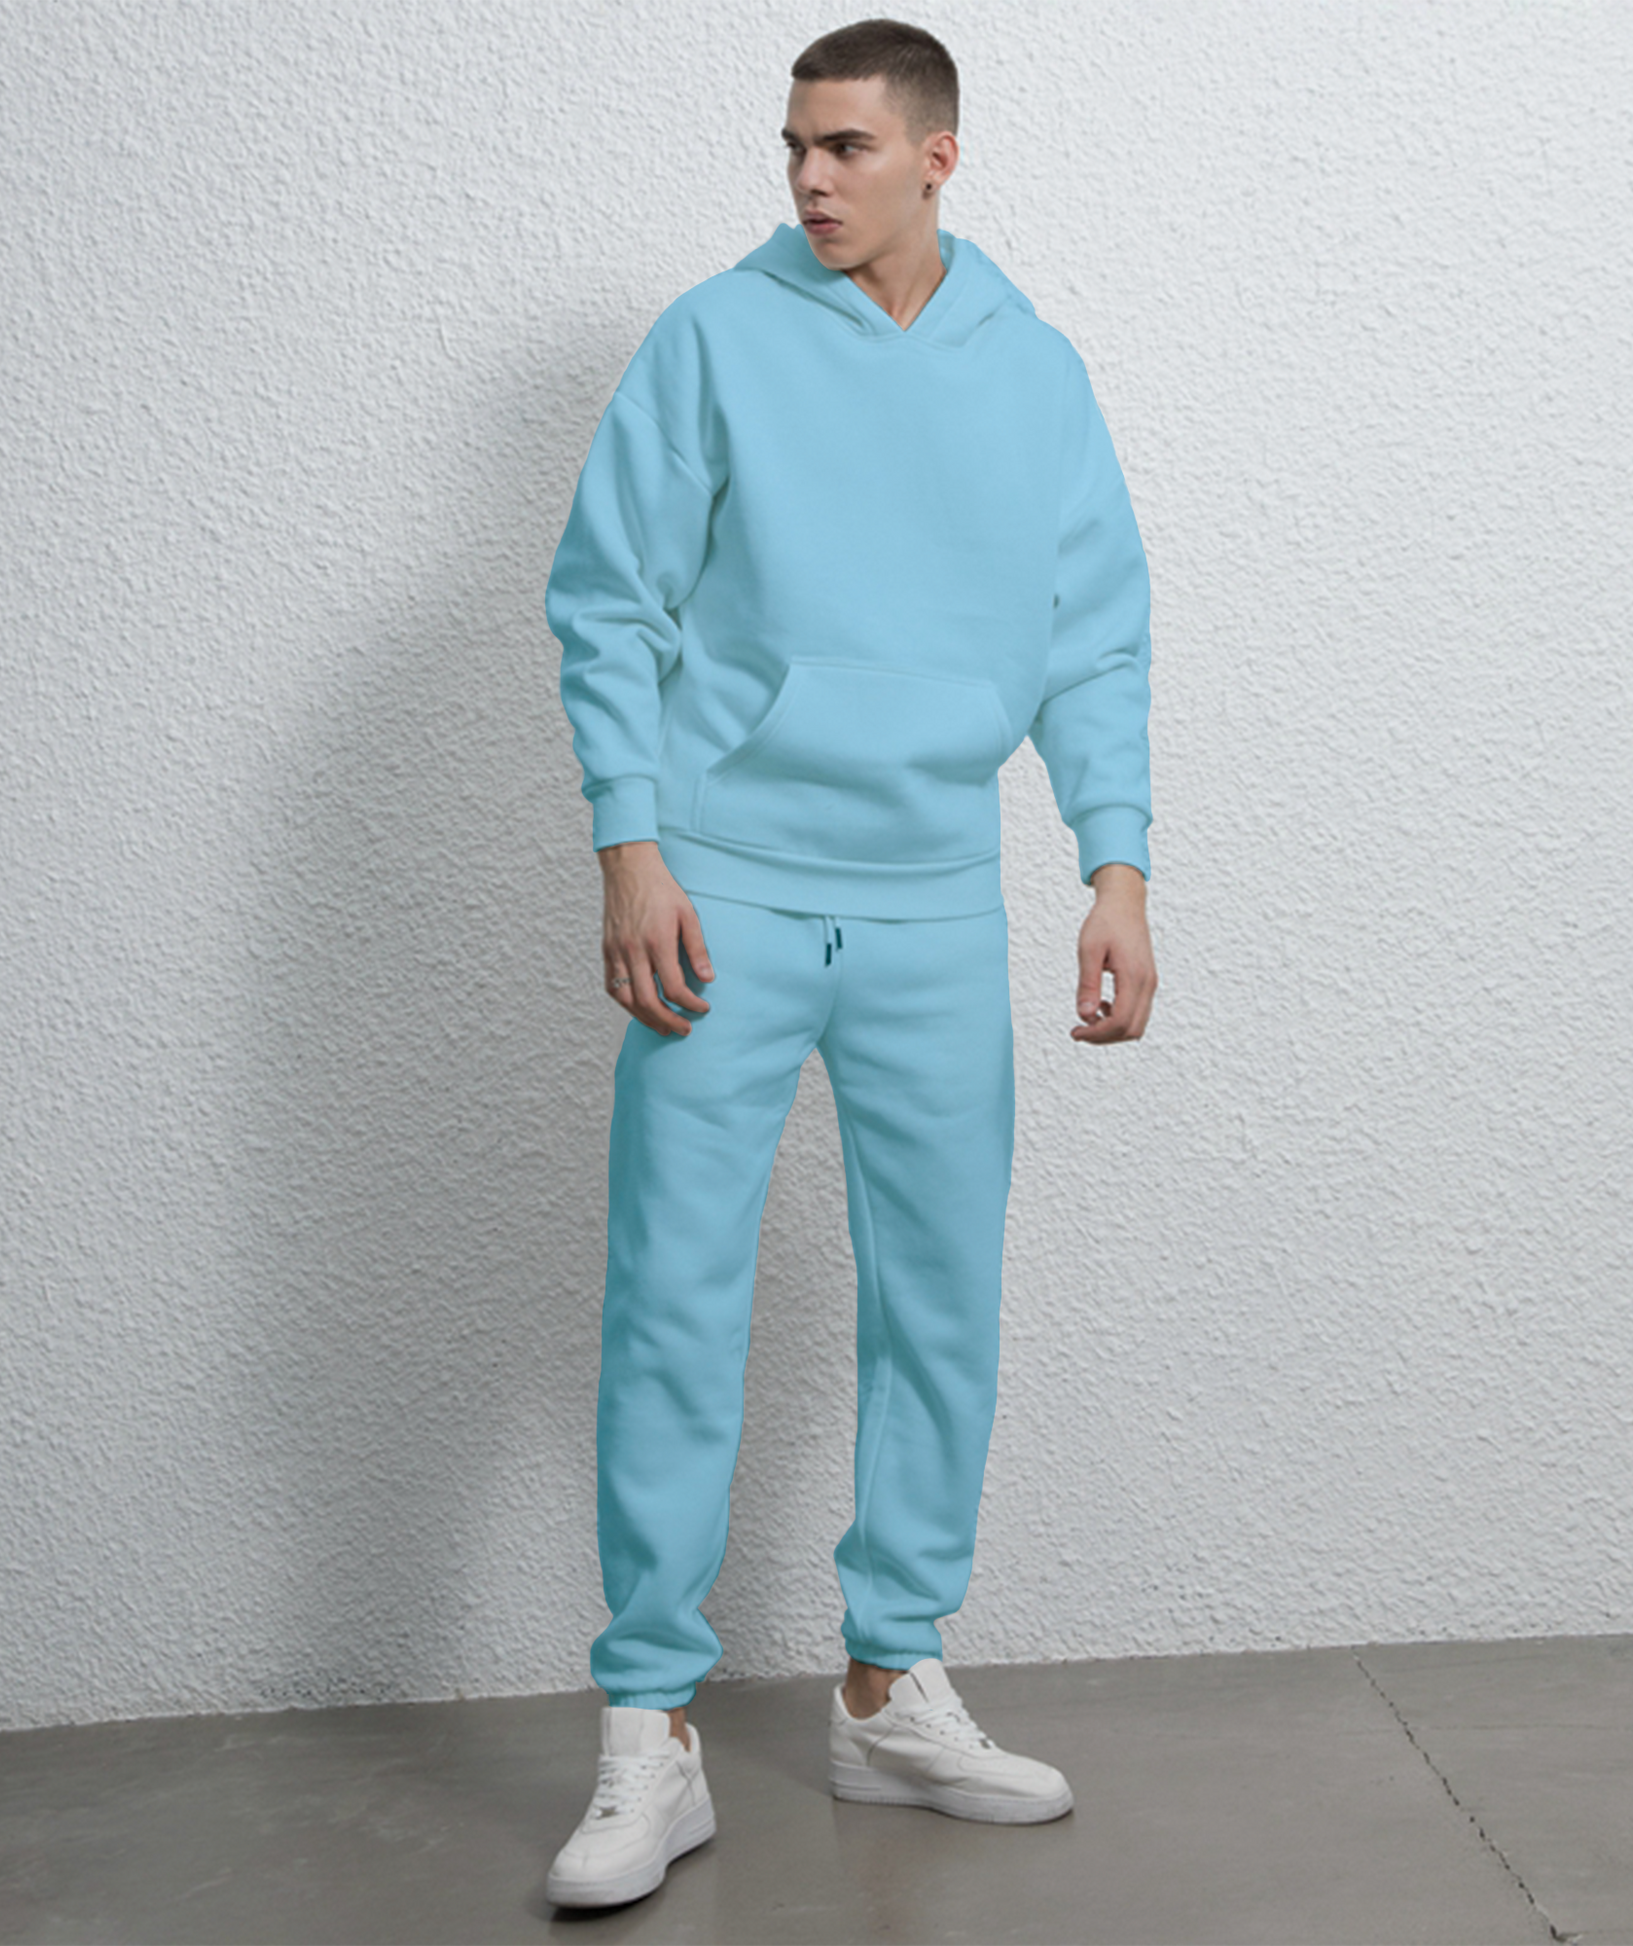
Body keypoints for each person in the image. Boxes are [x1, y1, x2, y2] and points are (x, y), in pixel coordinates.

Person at [540, 18, 1157, 1910]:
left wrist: (1114, 864)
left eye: (847, 148)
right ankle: (648, 1728)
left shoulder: (1033, 370)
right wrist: (631, 843)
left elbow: (1094, 631)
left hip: (931, 901)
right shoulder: (712, 340)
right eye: (793, 146)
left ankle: (890, 1684)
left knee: (939, 1300)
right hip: (722, 887)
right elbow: (609, 598)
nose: (808, 178)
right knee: (675, 1296)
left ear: (937, 158)